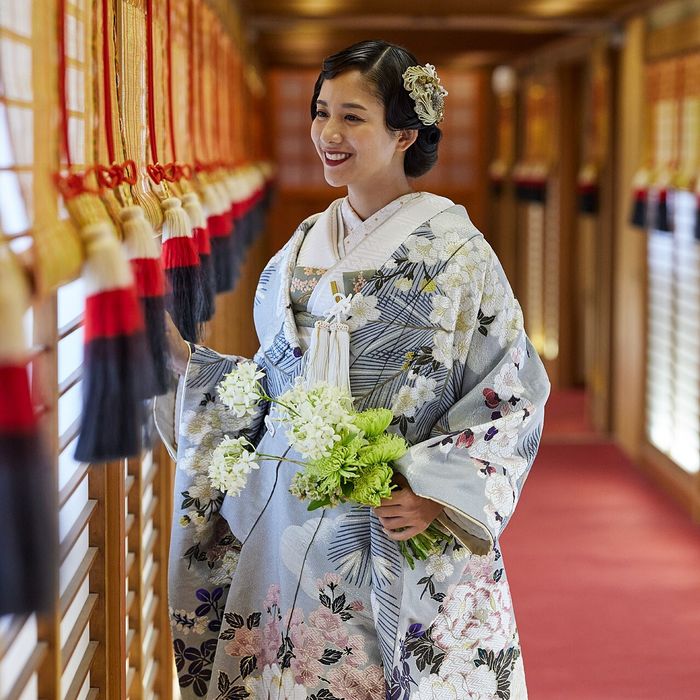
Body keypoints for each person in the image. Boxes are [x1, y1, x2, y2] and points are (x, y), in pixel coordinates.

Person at [160, 39, 550, 700]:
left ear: (404, 131)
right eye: (320, 113)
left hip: (399, 513)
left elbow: (510, 392)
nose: (328, 134)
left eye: (352, 117)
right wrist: (178, 363)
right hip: (292, 515)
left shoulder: (458, 253)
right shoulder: (300, 246)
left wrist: (437, 493)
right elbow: (269, 387)